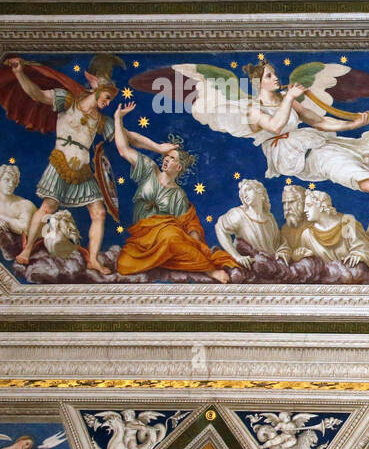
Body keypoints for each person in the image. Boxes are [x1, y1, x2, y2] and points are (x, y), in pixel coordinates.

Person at [186, 60, 369, 220]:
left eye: (274, 73)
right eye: (268, 75)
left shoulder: (285, 100)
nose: (275, 77)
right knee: (368, 166)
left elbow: (319, 121)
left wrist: (352, 124)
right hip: (298, 156)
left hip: (316, 149)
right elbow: (276, 126)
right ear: (258, 82)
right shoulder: (254, 109)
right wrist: (290, 99)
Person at [3, 57, 148, 274]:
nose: (108, 103)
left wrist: (159, 147)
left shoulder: (100, 121)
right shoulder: (67, 101)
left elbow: (129, 138)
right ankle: (27, 250)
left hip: (83, 172)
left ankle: (94, 260)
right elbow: (37, 95)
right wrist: (19, 73)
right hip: (61, 165)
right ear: (95, 88)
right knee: (47, 207)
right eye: (107, 97)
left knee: (99, 213)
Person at [111, 109, 236, 282]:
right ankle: (168, 259)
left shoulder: (178, 195)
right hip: (143, 240)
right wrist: (118, 118)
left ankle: (208, 270)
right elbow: (124, 148)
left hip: (167, 237)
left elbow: (189, 225)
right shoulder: (148, 170)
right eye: (166, 157)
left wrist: (196, 245)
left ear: (178, 168)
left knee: (171, 236)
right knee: (124, 265)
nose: (166, 159)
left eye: (171, 158)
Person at [294, 189, 369, 271]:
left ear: (321, 206)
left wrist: (359, 254)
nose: (305, 210)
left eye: (309, 205)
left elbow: (366, 250)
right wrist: (299, 256)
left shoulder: (347, 225)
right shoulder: (307, 235)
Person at [214, 179, 287, 266]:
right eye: (242, 194)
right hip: (251, 266)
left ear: (260, 192)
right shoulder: (239, 214)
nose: (244, 195)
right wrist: (237, 256)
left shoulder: (270, 219)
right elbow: (220, 228)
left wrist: (282, 253)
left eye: (247, 190)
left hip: (271, 265)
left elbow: (278, 243)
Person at [0, 163, 34, 236]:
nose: (11, 185)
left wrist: (1, 217)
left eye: (13, 182)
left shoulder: (25, 204)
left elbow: (25, 228)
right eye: (7, 180)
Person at [280, 183, 307, 255]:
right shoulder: (285, 229)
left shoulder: (313, 226)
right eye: (284, 203)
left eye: (291, 202)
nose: (286, 207)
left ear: (303, 203)